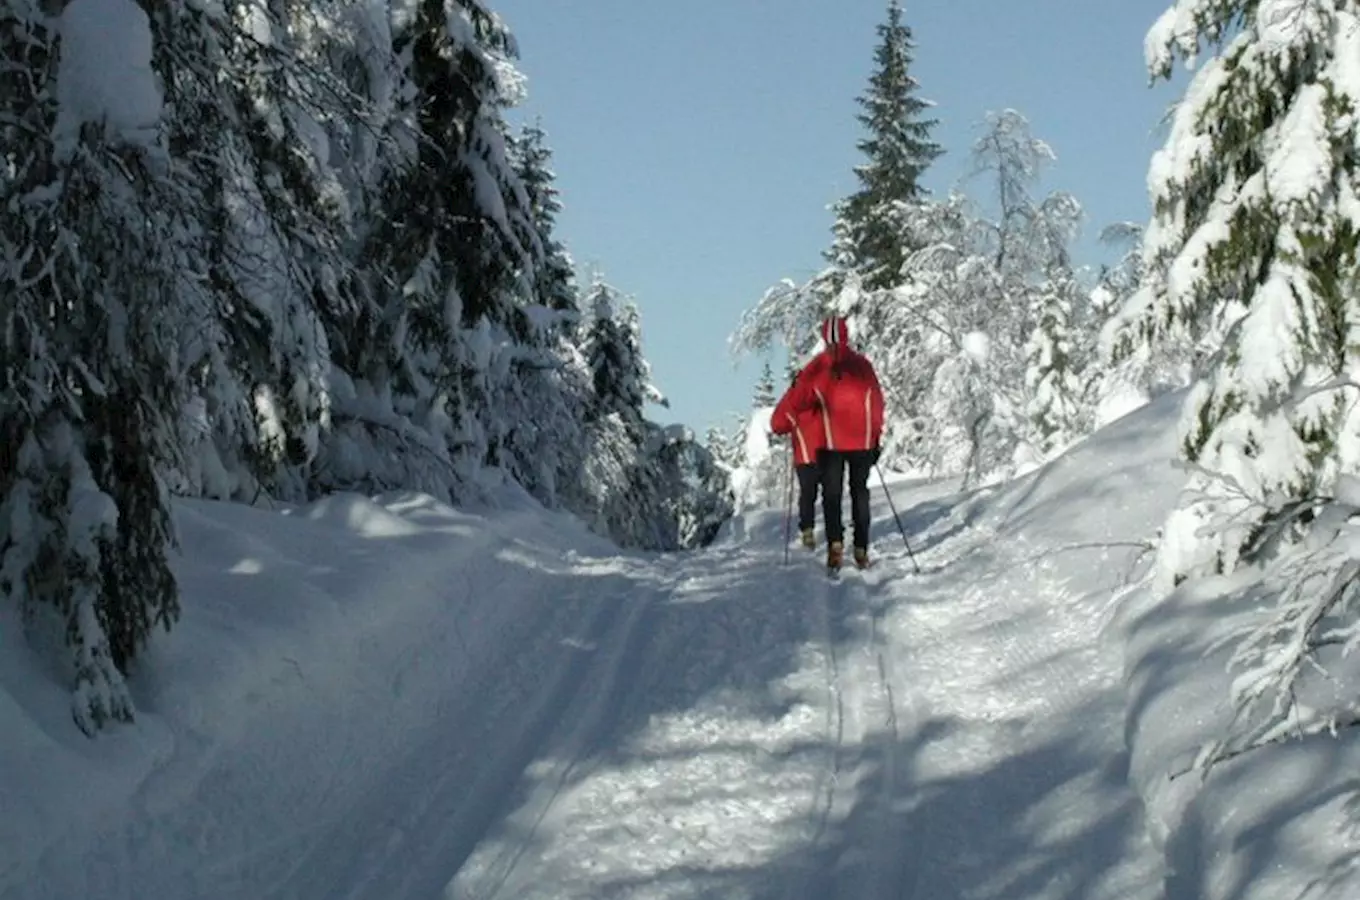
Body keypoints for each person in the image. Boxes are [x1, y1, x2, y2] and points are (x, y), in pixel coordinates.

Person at [774, 317, 885, 570]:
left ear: (824, 336)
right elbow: (877, 402)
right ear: (846, 335)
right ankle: (861, 547)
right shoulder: (862, 366)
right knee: (860, 492)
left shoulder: (817, 367)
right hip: (862, 442)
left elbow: (800, 400)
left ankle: (836, 544)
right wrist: (876, 437)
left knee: (832, 495)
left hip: (831, 443)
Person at [770, 368, 825, 550]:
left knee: (808, 494)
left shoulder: (793, 397)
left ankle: (808, 530)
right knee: (832, 493)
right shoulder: (823, 390)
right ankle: (835, 533)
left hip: (805, 454)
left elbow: (777, 424)